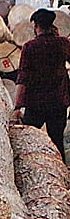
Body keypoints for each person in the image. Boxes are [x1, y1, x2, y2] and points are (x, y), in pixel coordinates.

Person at [15, 8, 70, 160]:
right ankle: (61, 170)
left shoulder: (30, 47)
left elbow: (23, 78)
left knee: (28, 140)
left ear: (36, 26)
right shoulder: (63, 43)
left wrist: (17, 106)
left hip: (35, 104)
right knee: (57, 141)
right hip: (58, 102)